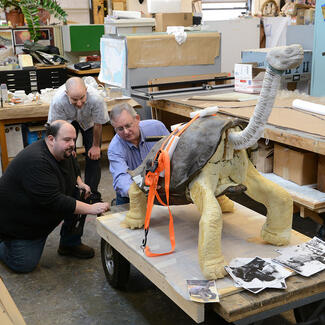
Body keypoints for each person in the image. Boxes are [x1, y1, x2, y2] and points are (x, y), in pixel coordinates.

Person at [0, 120, 110, 273]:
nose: (72, 144)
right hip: (21, 224)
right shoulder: (37, 161)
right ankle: (4, 244)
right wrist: (91, 208)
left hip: (41, 213)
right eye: (67, 139)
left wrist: (80, 183)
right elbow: (55, 201)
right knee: (24, 264)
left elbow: (74, 171)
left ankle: (69, 244)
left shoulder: (64, 151)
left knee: (81, 194)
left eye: (73, 139)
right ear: (51, 139)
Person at [48, 77, 109, 199]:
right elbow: (57, 127)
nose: (79, 103)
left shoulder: (96, 98)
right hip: (67, 123)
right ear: (67, 94)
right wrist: (67, 147)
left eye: (82, 98)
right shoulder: (58, 101)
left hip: (89, 122)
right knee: (67, 158)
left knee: (94, 157)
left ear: (86, 90)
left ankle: (91, 194)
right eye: (74, 100)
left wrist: (96, 146)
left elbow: (98, 124)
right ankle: (72, 192)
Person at [108, 103, 170, 205]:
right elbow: (121, 177)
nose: (126, 132)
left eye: (128, 125)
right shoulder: (115, 148)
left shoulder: (156, 127)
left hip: (159, 185)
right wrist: (136, 192)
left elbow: (171, 152)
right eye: (120, 129)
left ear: (137, 118)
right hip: (131, 195)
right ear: (114, 128)